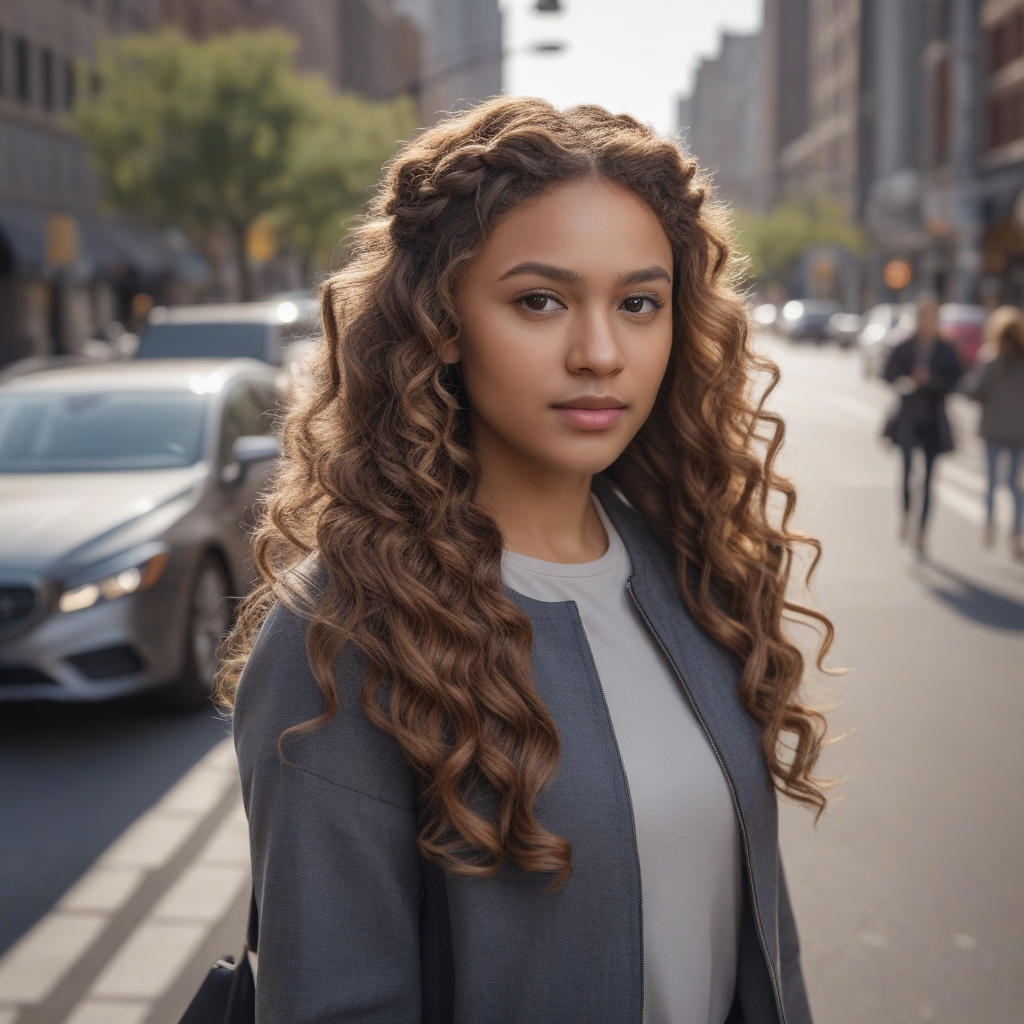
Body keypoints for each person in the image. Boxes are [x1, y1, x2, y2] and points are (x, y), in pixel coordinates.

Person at [218, 98, 833, 1024]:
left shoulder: (693, 574)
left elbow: (759, 944)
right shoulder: (344, 638)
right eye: (540, 301)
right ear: (442, 321)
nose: (599, 353)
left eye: (638, 303)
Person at [883, 292, 962, 556]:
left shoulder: (944, 348)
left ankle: (921, 532)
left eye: (932, 316)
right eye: (924, 316)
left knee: (929, 478)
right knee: (906, 473)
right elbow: (888, 372)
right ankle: (906, 516)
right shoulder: (905, 345)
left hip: (933, 420)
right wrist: (908, 379)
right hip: (908, 417)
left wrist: (931, 380)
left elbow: (956, 378)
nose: (928, 321)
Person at [966, 306, 1024, 558]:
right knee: (1015, 485)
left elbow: (975, 391)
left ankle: (989, 524)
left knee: (991, 482)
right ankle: (1015, 532)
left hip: (992, 430)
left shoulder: (990, 359)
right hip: (1019, 432)